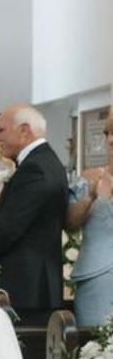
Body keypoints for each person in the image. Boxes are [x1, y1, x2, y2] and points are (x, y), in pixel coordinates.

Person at [0, 105, 68, 323]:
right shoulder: (43, 161)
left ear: (24, 130)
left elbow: (10, 227)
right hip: (29, 285)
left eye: (1, 130)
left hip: (27, 287)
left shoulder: (36, 168)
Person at [65, 114, 113, 326]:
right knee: (95, 340)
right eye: (108, 133)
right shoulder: (89, 177)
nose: (111, 139)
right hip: (95, 279)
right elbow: (70, 224)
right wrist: (90, 197)